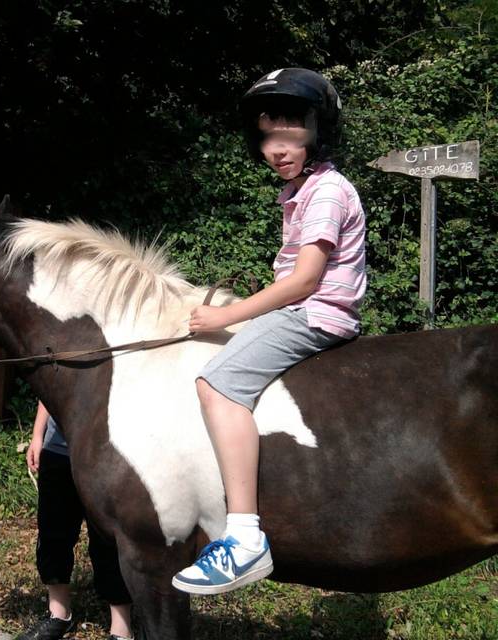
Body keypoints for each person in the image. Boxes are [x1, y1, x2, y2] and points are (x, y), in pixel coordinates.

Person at [171, 68, 367, 595]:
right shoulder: (303, 191)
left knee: (216, 384)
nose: (278, 147)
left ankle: (244, 538)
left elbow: (304, 282)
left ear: (318, 132)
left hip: (314, 315)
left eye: (292, 131)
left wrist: (226, 316)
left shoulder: (326, 193)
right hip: (306, 310)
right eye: (267, 136)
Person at [18, 401, 133, 640]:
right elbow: (50, 387)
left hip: (104, 449)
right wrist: (38, 434)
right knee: (53, 533)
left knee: (106, 539)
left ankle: (121, 629)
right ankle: (58, 615)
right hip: (57, 449)